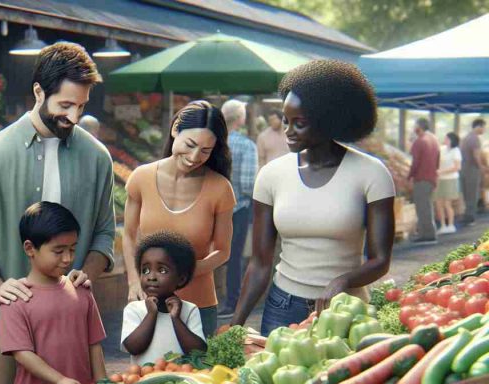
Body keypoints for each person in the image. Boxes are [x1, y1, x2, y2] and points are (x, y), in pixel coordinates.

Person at [0, 42, 115, 384]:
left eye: (82, 106)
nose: (73, 116)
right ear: (39, 92)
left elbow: (105, 232)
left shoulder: (97, 158)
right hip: (8, 322)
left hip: (74, 323)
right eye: (64, 105)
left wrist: (87, 271)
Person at [228, 60, 395, 335]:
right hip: (282, 309)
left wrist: (343, 280)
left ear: (329, 121)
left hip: (347, 310)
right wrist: (236, 324)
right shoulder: (271, 175)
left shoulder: (372, 174)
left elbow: (380, 260)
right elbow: (259, 263)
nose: (288, 131)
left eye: (300, 123)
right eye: (286, 120)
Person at [122, 100, 235, 338]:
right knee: (145, 373)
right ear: (175, 130)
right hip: (148, 303)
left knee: (199, 373)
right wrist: (134, 281)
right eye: (190, 144)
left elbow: (223, 251)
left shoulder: (220, 188)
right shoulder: (141, 177)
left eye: (206, 151)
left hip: (199, 306)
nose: (195, 157)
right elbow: (130, 235)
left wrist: (185, 273)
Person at [0, 202, 106, 384]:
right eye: (58, 251)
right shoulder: (15, 298)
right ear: (30, 248)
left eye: (72, 249)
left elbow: (94, 344)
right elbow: (22, 353)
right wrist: (60, 379)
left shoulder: (81, 289)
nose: (67, 258)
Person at [122, 231, 206, 365]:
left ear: (181, 278)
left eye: (162, 270)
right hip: (142, 382)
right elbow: (133, 347)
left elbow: (199, 352)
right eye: (146, 270)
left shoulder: (189, 310)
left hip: (180, 382)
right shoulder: (134, 309)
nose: (151, 277)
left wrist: (176, 319)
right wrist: (151, 314)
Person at [218, 99, 257, 319]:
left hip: (212, 209)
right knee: (235, 257)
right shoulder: (247, 145)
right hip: (238, 208)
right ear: (241, 119)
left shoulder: (213, 143)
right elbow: (248, 184)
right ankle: (232, 302)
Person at [409, 117, 439, 243]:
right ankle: (429, 232)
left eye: (414, 126)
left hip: (421, 178)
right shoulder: (434, 139)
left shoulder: (419, 141)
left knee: (422, 207)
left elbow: (415, 162)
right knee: (427, 205)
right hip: (432, 177)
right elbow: (438, 159)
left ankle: (426, 234)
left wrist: (409, 176)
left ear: (419, 128)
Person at [435, 132, 463, 234]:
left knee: (447, 203)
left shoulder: (456, 151)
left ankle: (451, 225)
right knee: (438, 203)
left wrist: (442, 171)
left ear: (452, 140)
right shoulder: (442, 149)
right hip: (440, 179)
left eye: (447, 138)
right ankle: (442, 225)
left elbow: (457, 167)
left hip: (451, 180)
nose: (445, 140)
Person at [459, 118, 486, 225]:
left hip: (464, 168)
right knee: (472, 193)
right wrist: (481, 167)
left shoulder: (466, 138)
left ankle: (467, 214)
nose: (484, 130)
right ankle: (471, 217)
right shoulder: (475, 139)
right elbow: (476, 155)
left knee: (466, 193)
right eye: (484, 127)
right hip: (472, 169)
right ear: (478, 126)